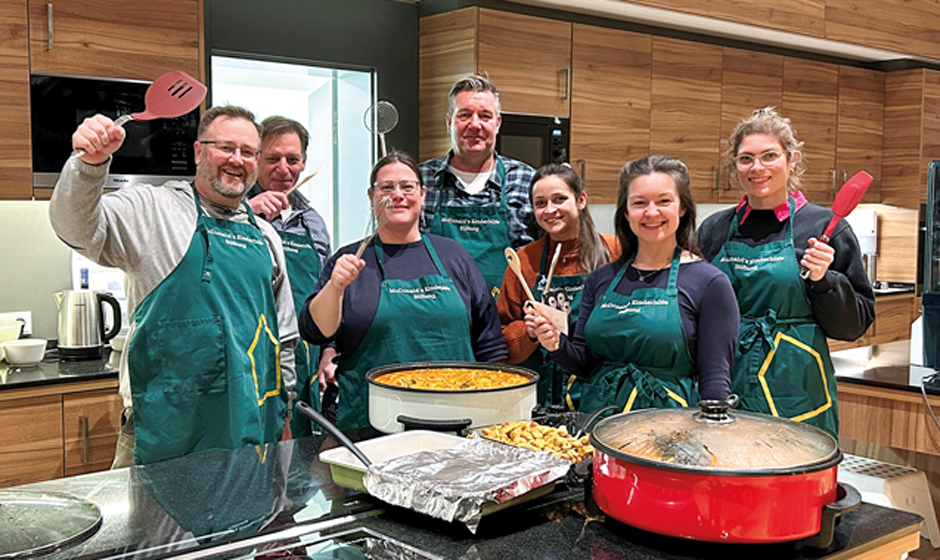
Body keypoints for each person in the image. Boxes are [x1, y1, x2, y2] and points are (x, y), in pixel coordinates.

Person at [49, 105, 298, 466]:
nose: (237, 159)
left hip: (248, 427)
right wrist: (88, 166)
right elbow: (75, 229)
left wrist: (284, 412)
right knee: (146, 524)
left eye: (247, 152)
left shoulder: (267, 237)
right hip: (162, 428)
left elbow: (284, 336)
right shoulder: (153, 209)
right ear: (198, 151)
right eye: (225, 147)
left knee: (247, 523)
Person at [299, 151, 507, 434]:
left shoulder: (454, 256)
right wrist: (335, 287)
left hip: (456, 422)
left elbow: (489, 343)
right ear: (372, 197)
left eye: (407, 187)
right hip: (373, 425)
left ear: (422, 195)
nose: (397, 195)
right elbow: (315, 331)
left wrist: (496, 413)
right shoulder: (348, 260)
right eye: (387, 187)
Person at [698, 107, 875, 438]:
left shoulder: (825, 227)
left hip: (796, 389)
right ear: (734, 166)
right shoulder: (714, 230)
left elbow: (855, 325)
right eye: (746, 159)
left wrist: (825, 281)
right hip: (725, 382)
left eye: (769, 156)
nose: (757, 168)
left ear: (791, 159)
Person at [527, 156, 738, 413]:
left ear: (682, 207)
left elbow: (715, 381)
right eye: (639, 203)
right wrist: (555, 344)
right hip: (599, 421)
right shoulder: (600, 279)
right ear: (626, 212)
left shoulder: (709, 283)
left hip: (671, 426)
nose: (651, 212)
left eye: (664, 201)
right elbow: (583, 363)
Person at [498, 163, 620, 409]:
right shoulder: (522, 262)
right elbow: (501, 342)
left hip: (601, 395)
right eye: (540, 203)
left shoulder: (615, 251)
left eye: (559, 199)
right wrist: (528, 332)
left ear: (581, 200)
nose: (550, 210)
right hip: (540, 396)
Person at [246, 116, 335, 438]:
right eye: (272, 159)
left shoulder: (313, 222)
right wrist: (245, 212)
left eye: (293, 160)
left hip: (302, 360)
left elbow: (325, 292)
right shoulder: (231, 211)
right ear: (255, 159)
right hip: (249, 358)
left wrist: (329, 349)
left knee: (297, 466)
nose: (284, 169)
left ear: (304, 163)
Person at [419, 75, 536, 296]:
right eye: (464, 115)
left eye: (485, 116)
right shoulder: (419, 181)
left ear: (497, 123)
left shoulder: (527, 181)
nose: (475, 124)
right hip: (436, 318)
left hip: (508, 322)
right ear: (449, 122)